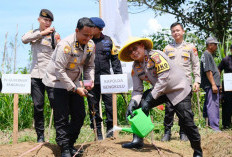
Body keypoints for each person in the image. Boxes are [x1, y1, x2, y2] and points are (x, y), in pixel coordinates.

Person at [118, 37, 202, 157]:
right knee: (137, 107)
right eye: (130, 52)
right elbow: (137, 90)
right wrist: (133, 102)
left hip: (178, 89)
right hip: (161, 92)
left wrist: (149, 99)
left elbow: (164, 79)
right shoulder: (135, 67)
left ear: (142, 46)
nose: (133, 52)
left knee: (187, 120)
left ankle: (197, 151)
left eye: (135, 48)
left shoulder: (156, 56)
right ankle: (137, 140)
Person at [42, 17, 95, 157]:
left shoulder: (91, 45)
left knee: (79, 115)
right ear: (77, 30)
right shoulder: (65, 45)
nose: (88, 38)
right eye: (85, 35)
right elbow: (59, 71)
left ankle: (70, 144)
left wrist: (90, 80)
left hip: (75, 82)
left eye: (91, 35)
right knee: (62, 116)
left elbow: (90, 66)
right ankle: (64, 148)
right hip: (56, 83)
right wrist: (74, 88)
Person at [21, 9, 60, 143]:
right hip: (36, 76)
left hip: (51, 76)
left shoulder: (55, 35)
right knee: (38, 106)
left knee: (56, 105)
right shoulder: (33, 33)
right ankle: (40, 136)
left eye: (49, 21)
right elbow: (24, 39)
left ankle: (60, 136)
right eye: (45, 20)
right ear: (39, 20)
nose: (47, 23)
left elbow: (60, 52)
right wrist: (41, 33)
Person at [162, 22, 201, 141]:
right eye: (173, 31)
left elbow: (196, 65)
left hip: (185, 84)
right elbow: (162, 66)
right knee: (169, 109)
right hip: (170, 85)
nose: (176, 33)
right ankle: (167, 133)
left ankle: (183, 133)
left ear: (183, 31)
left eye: (178, 30)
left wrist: (197, 81)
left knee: (185, 110)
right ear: (171, 33)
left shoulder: (190, 47)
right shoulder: (167, 48)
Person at [87, 17, 122, 140]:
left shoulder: (108, 41)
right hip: (91, 81)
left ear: (99, 29)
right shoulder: (86, 41)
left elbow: (115, 61)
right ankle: (98, 134)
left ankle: (110, 133)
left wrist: (119, 79)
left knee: (110, 107)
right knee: (93, 108)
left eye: (92, 27)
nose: (90, 29)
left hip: (107, 81)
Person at [200, 37, 221, 131]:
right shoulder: (207, 54)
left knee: (209, 104)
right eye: (215, 44)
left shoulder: (207, 55)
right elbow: (208, 71)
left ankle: (208, 125)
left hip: (211, 85)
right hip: (210, 85)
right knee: (213, 105)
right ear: (210, 45)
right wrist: (213, 84)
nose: (216, 46)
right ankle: (215, 127)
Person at [218, 44, 232, 129]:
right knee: (227, 104)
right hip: (228, 86)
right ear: (231, 50)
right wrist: (218, 84)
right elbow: (219, 70)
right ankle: (226, 124)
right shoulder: (226, 59)